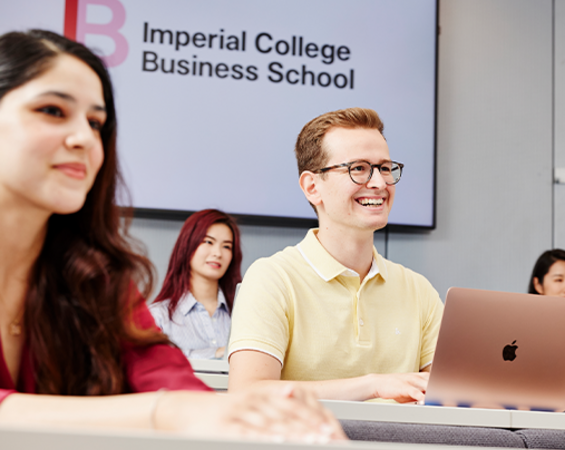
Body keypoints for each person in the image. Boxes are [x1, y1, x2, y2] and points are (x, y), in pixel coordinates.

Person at [0, 29, 343, 440]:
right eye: (53, 111)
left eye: (96, 123)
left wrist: (256, 415)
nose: (84, 139)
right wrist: (165, 412)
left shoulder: (95, 278)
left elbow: (163, 374)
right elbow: (172, 405)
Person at [227, 107, 444, 402]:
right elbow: (247, 393)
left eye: (384, 168)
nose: (379, 183)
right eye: (358, 168)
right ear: (312, 186)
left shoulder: (419, 290)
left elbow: (451, 395)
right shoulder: (273, 278)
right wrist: (373, 386)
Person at [150, 209, 241, 359]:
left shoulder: (242, 314)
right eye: (208, 242)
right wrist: (218, 353)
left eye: (226, 246)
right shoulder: (158, 317)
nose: (217, 253)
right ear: (187, 246)